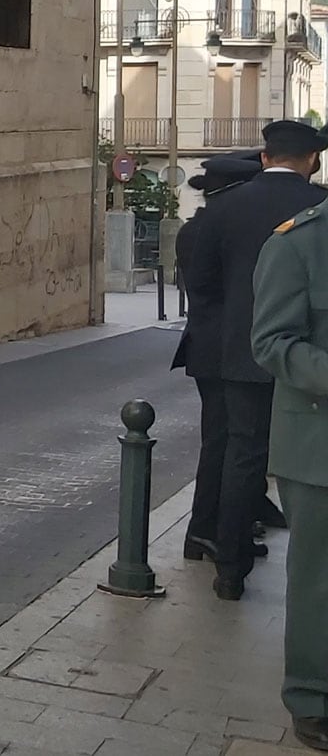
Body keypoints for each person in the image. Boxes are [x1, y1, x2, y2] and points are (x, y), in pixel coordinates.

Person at [188, 118, 328, 600]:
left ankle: (230, 568)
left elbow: (200, 282)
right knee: (306, 461)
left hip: (242, 353)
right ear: (313, 160)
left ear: (266, 158)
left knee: (242, 453)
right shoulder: (320, 208)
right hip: (310, 357)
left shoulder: (224, 207)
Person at [251, 187, 328, 752]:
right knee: (319, 581)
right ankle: (311, 697)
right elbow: (272, 342)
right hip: (318, 444)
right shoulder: (298, 243)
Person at [172, 150, 263, 563]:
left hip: (208, 348)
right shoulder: (214, 231)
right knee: (225, 444)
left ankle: (210, 529)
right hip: (221, 349)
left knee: (221, 441)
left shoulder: (201, 227)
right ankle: (211, 531)